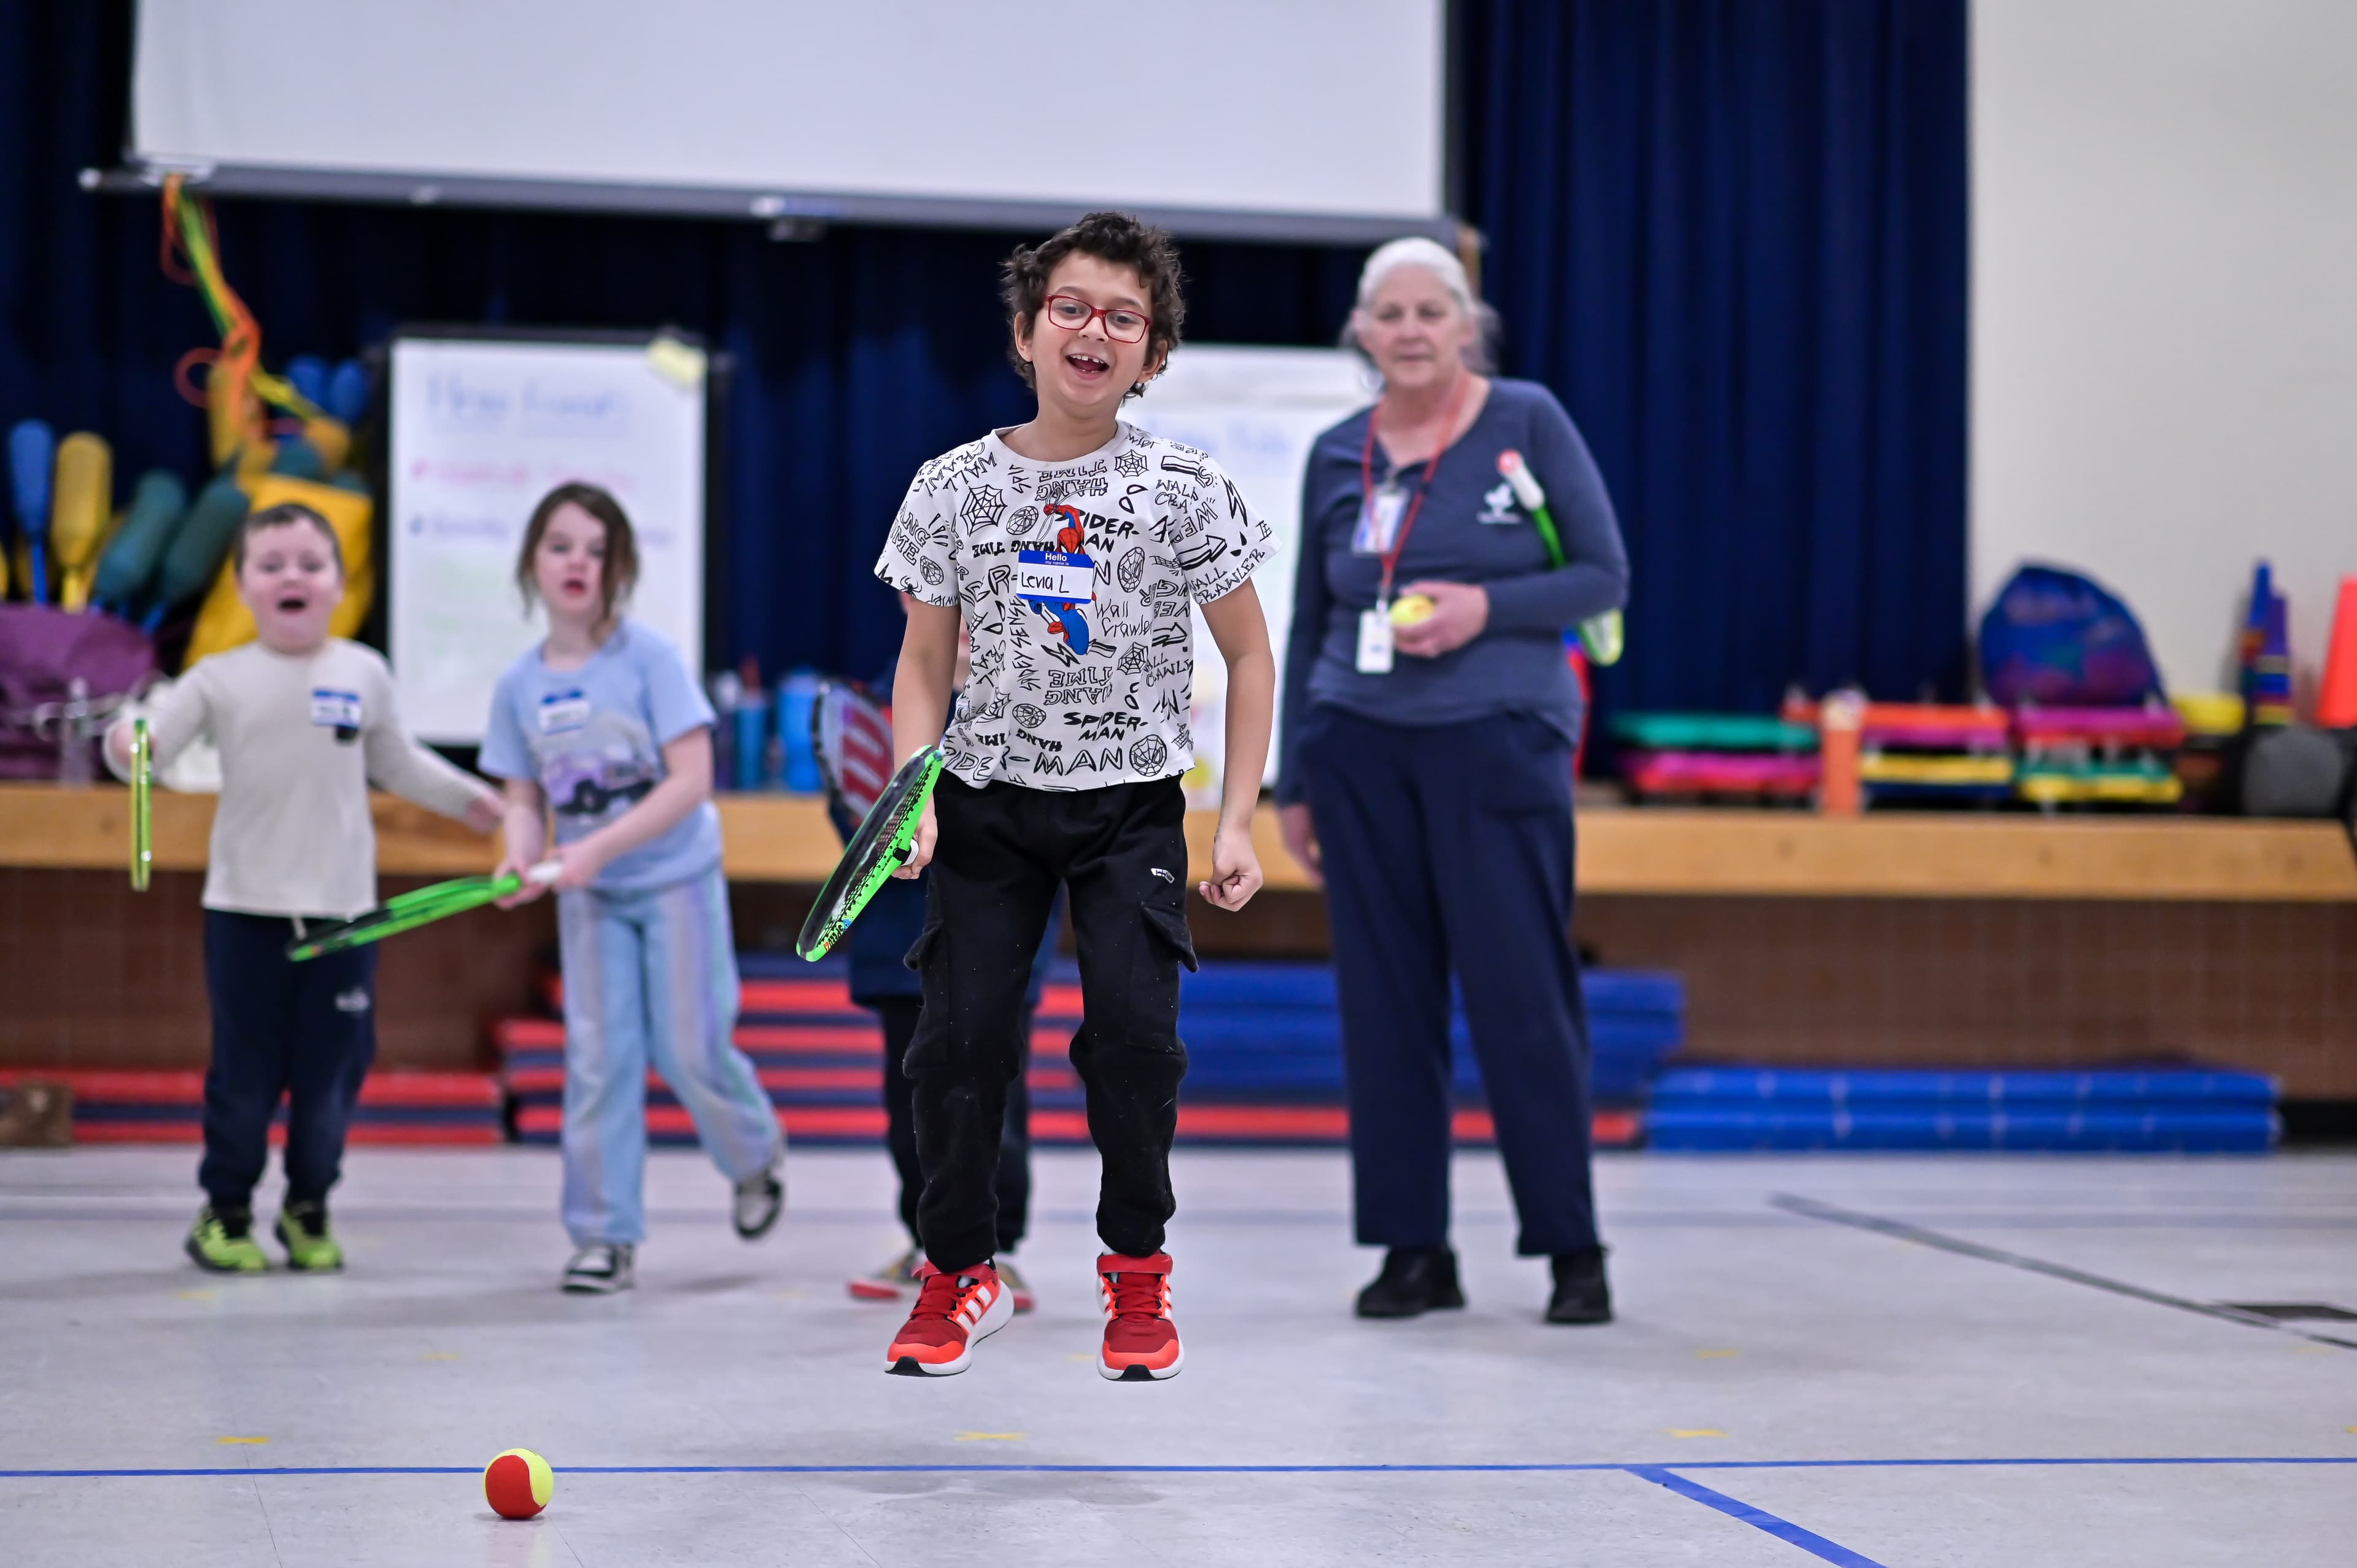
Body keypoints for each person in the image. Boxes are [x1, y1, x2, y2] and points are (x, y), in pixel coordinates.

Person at [874, 211, 1275, 1380]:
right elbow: (922, 664)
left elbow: (1251, 656)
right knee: (958, 1048)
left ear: (1154, 354)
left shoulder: (1186, 490)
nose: (1094, 331)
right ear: (1025, 332)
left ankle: (1136, 1273)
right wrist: (915, 795)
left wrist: (1236, 821)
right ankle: (960, 1272)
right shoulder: (951, 487)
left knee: (1138, 1046)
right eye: (1070, 309)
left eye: (1124, 317)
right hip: (985, 808)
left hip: (1129, 812)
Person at [1275, 237, 1630, 1326]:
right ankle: (1412, 1248)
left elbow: (1602, 575)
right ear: (1361, 332)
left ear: (1466, 325)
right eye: (1390, 314)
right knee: (1384, 1006)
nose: (1411, 330)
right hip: (1358, 746)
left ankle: (1571, 1248)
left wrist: (1487, 608)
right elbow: (1311, 618)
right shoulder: (1336, 452)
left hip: (1499, 742)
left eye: (1432, 311)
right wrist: (1295, 776)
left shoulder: (1527, 421)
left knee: (1522, 997)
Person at [105, 502, 503, 1273]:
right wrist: (126, 744)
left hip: (345, 918)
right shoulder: (217, 677)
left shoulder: (364, 671)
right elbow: (150, 751)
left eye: (311, 563)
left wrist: (471, 800)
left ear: (340, 583)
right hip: (244, 916)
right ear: (242, 585)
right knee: (245, 1078)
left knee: (330, 1080)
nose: (293, 576)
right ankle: (224, 1214)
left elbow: (398, 760)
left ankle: (308, 1207)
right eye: (272, 563)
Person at [482, 482, 784, 1295]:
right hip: (591, 894)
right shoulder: (518, 685)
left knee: (690, 1048)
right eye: (560, 545)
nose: (577, 562)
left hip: (675, 879)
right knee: (598, 1059)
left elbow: (691, 780)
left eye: (596, 548)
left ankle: (755, 1155)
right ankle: (603, 1235)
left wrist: (596, 849)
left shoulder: (650, 658)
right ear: (532, 563)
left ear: (618, 567)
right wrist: (520, 857)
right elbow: (523, 799)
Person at [837, 606, 1062, 1312]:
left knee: (994, 1090)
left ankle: (997, 1247)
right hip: (898, 944)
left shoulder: (1042, 695)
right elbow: (856, 819)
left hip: (1002, 938)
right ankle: (928, 1241)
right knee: (912, 1098)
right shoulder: (873, 709)